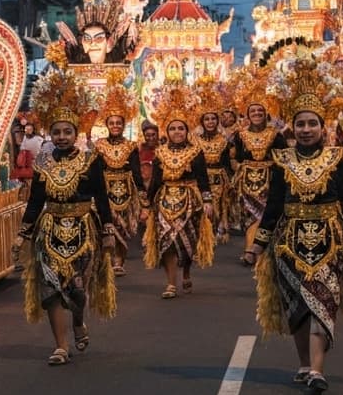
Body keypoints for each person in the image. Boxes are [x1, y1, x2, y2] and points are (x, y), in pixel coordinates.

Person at [245, 54, 343, 395]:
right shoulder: (281, 160)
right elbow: (272, 208)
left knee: (322, 303)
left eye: (312, 123)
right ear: (292, 127)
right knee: (297, 306)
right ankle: (304, 364)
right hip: (288, 244)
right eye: (300, 124)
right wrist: (257, 246)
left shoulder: (336, 159)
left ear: (322, 126)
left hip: (330, 242)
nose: (306, 129)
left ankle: (317, 369)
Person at [12, 74, 117, 367]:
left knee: (78, 289)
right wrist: (23, 234)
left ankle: (79, 322)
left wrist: (108, 230)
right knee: (50, 289)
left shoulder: (90, 161)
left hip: (84, 230)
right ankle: (60, 345)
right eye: (56, 132)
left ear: (75, 133)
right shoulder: (42, 163)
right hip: (49, 231)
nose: (61, 136)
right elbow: (35, 202)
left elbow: (102, 196)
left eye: (66, 132)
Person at [142, 82, 214, 298]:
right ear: (168, 131)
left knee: (187, 241)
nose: (177, 132)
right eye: (172, 128)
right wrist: (146, 206)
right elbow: (155, 181)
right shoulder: (160, 153)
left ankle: (186, 272)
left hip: (190, 201)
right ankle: (171, 283)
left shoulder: (196, 152)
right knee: (167, 241)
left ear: (186, 130)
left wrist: (208, 201)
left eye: (180, 128)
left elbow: (203, 180)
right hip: (164, 201)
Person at [233, 100, 287, 263]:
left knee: (267, 214)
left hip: (269, 180)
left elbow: (283, 156)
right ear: (248, 115)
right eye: (253, 111)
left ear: (265, 114)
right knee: (250, 215)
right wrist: (239, 170)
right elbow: (234, 158)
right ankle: (250, 250)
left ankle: (264, 251)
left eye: (260, 110)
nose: (256, 113)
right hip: (247, 180)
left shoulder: (275, 134)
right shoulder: (240, 135)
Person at [93, 111, 145, 277]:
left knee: (122, 227)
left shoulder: (131, 146)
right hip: (105, 189)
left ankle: (119, 260)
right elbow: (95, 170)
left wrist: (142, 193)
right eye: (112, 123)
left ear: (123, 126)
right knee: (108, 224)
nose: (115, 126)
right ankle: (110, 259)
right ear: (107, 125)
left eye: (118, 123)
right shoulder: (99, 145)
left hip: (126, 189)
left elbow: (136, 171)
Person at [195, 109, 236, 244]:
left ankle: (210, 237)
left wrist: (231, 181)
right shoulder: (195, 141)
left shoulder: (224, 141)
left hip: (218, 179)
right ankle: (200, 239)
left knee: (215, 209)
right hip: (199, 179)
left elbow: (227, 164)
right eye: (207, 119)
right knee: (200, 207)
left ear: (217, 121)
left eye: (213, 118)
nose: (210, 121)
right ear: (202, 122)